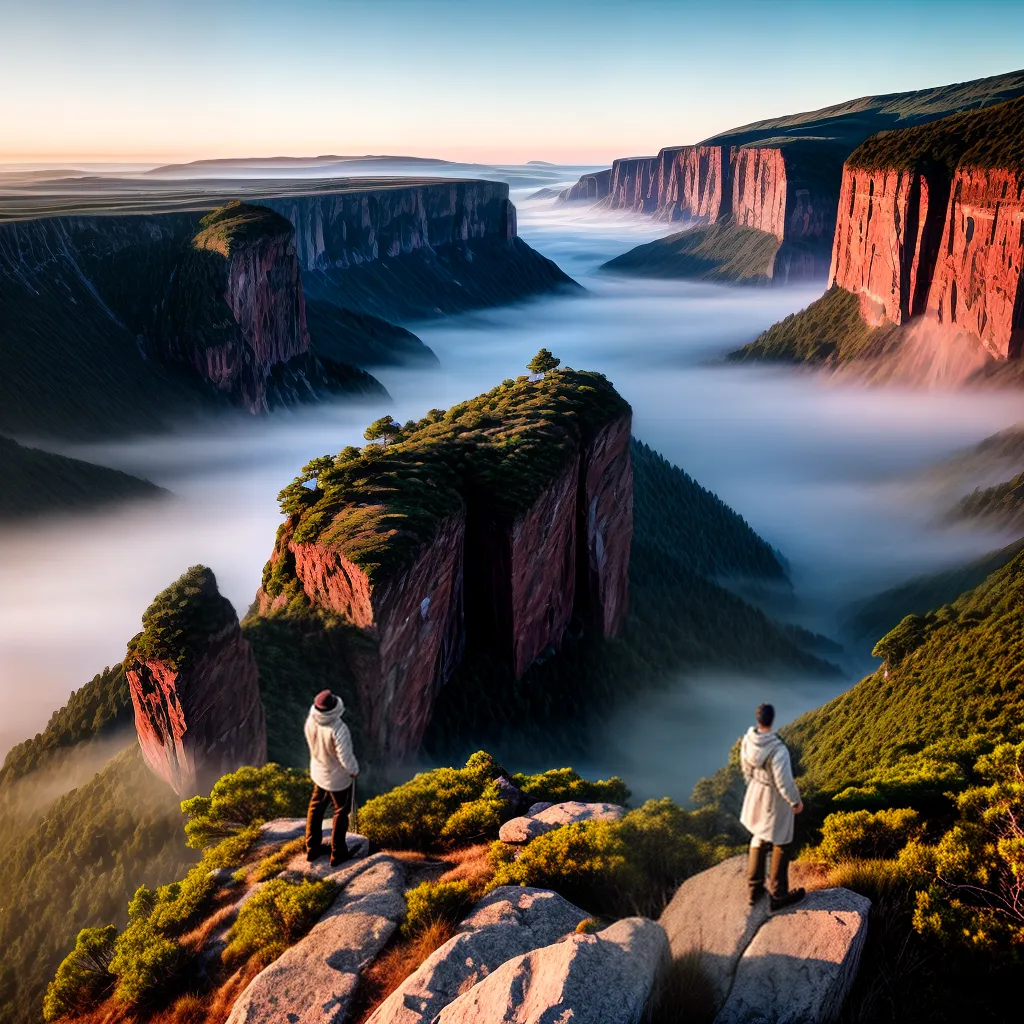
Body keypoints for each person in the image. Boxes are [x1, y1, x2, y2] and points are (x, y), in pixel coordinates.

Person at [739, 702, 806, 910]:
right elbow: (784, 783)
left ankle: (754, 889)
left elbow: (745, 768)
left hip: (755, 791)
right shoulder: (778, 750)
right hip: (773, 797)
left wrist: (754, 785)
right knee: (782, 840)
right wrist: (795, 801)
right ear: (772, 720)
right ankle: (778, 894)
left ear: (758, 719)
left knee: (758, 836)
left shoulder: (748, 740)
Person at [304, 689, 360, 867]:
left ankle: (312, 848)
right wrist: (354, 770)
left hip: (319, 773)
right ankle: (338, 853)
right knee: (341, 811)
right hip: (337, 780)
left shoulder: (311, 720)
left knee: (316, 808)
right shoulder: (339, 728)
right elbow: (345, 757)